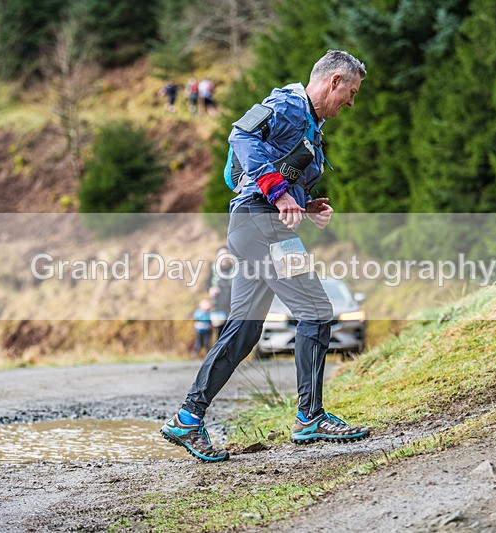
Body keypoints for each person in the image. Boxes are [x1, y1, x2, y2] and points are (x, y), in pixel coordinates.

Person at [161, 50, 369, 462]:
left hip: (255, 228)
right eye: (352, 92)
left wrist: (304, 204)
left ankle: (187, 419)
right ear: (334, 81)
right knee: (316, 310)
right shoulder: (288, 104)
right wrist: (279, 193)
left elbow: (279, 172)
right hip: (262, 227)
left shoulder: (311, 123)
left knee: (243, 331)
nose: (351, 102)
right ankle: (310, 417)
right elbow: (240, 137)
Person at [205, 246, 235, 338]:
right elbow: (207, 284)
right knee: (219, 336)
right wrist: (211, 289)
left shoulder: (236, 269)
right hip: (218, 308)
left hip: (233, 308)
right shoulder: (213, 269)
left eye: (225, 254)